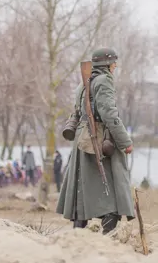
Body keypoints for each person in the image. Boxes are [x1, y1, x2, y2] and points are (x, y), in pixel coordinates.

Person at [57, 48, 135, 234]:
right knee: (112, 191)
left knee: (82, 189)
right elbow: (109, 113)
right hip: (99, 139)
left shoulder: (83, 84)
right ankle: (108, 233)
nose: (115, 65)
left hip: (82, 140)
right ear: (106, 64)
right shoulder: (104, 81)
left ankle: (78, 231)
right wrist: (125, 142)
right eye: (113, 62)